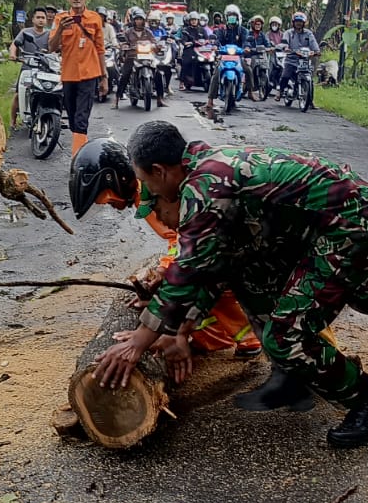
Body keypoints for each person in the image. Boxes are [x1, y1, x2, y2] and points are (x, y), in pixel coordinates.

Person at [92, 121, 368, 449]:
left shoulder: (205, 190)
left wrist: (140, 341)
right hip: (314, 228)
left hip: (349, 224)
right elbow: (215, 266)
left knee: (288, 335)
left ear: (160, 170)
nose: (146, 190)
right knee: (264, 280)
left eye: (144, 180)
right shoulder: (198, 167)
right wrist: (179, 329)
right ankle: (292, 376)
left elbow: (189, 270)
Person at [70, 139, 262, 357]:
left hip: (244, 252)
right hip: (220, 246)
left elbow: (189, 243)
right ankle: (212, 336)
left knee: (197, 281)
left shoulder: (153, 191)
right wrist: (163, 271)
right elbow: (178, 239)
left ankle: (248, 338)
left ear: (117, 179)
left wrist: (150, 328)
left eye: (107, 198)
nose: (111, 205)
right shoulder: (144, 192)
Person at [47, 0, 107, 156]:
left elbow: (100, 49)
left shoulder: (95, 18)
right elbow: (51, 47)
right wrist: (60, 31)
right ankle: (82, 145)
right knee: (72, 117)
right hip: (69, 74)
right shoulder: (60, 19)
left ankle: (77, 156)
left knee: (81, 118)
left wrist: (104, 78)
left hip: (90, 73)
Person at [8, 7, 50, 126]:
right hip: (28, 67)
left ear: (46, 20)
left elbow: (55, 48)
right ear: (33, 19)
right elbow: (14, 45)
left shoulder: (49, 34)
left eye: (43, 18)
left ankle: (52, 115)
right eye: (38, 17)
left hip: (44, 69)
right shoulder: (25, 32)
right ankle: (13, 121)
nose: (41, 20)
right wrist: (12, 54)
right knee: (18, 94)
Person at [113, 7, 151, 105]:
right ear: (134, 20)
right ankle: (117, 98)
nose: (139, 21)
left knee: (159, 72)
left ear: (144, 20)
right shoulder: (128, 32)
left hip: (147, 57)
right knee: (125, 75)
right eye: (137, 19)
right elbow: (123, 42)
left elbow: (155, 42)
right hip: (132, 57)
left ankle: (160, 98)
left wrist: (158, 46)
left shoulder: (148, 32)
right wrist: (125, 46)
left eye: (140, 19)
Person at [280, 12, 320, 96]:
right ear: (293, 22)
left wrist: (316, 51)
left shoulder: (308, 33)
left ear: (304, 23)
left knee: (310, 79)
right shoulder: (288, 33)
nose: (298, 23)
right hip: (291, 59)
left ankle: (309, 100)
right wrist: (286, 48)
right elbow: (284, 43)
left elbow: (313, 43)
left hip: (305, 60)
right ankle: (280, 92)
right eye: (297, 21)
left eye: (300, 22)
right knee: (285, 75)